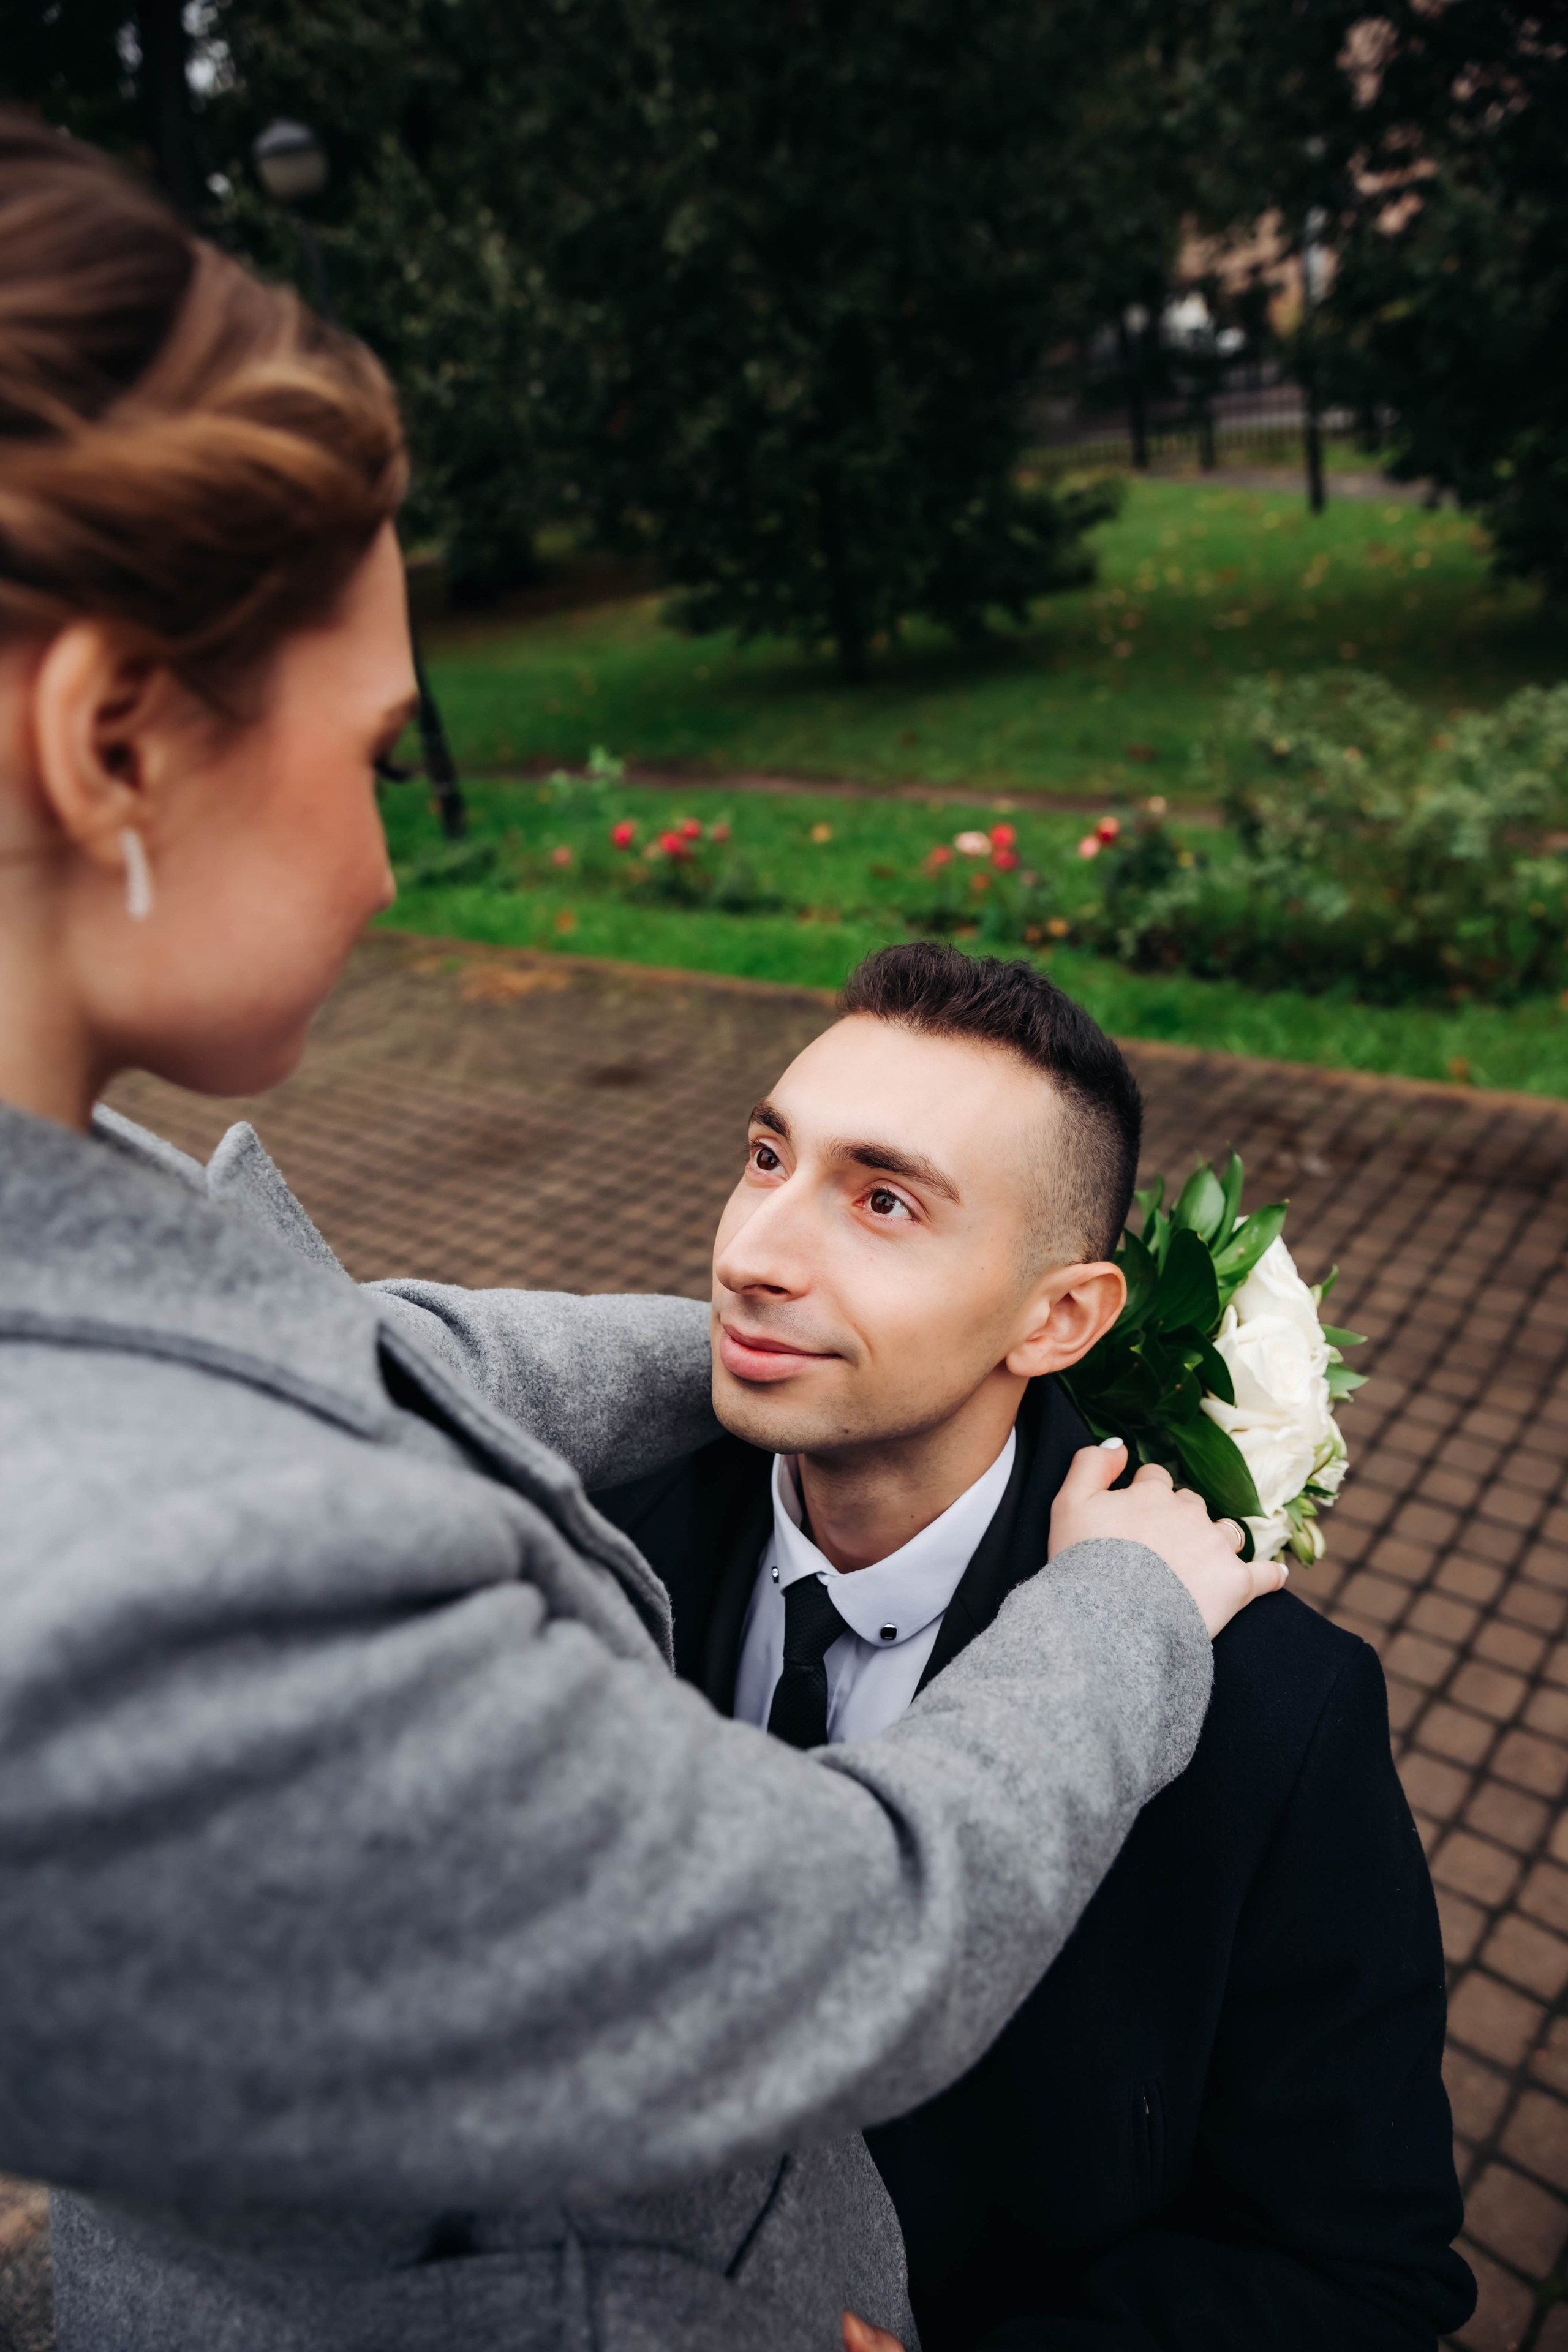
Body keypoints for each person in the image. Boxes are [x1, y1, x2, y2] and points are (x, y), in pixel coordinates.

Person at [0, 115, 1283, 2352]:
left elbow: (373, 1363)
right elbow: (853, 1944)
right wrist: (1121, 1620)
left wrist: (785, 1325)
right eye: (376, 757)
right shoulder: (150, 1602)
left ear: (1054, 1313)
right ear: (113, 736)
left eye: (880, 1199)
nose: (394, 866)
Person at [597, 942, 1477, 2351]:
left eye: (881, 1200)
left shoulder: (1265, 1715)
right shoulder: (592, 1542)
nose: (749, 1254)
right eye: (766, 1156)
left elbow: (1360, 2278)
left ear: (1058, 1316)